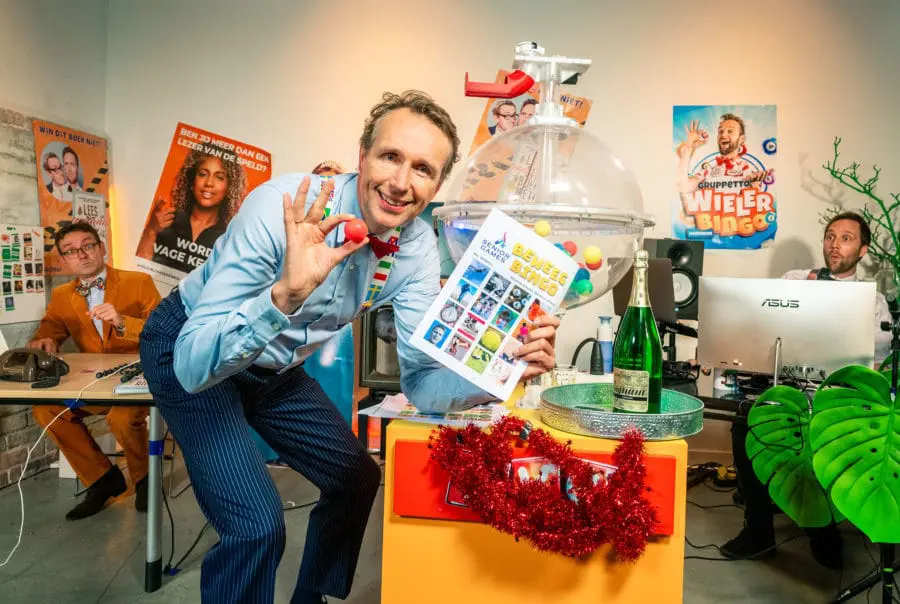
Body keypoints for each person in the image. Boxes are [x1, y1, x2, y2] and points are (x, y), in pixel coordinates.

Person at [138, 90, 560, 603]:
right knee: (256, 526)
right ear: (362, 155)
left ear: (437, 185)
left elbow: (421, 384)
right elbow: (192, 364)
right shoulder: (283, 206)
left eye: (423, 169)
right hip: (190, 343)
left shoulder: (416, 249)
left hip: (275, 367)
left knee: (356, 477)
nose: (401, 183)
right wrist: (283, 296)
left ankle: (311, 597)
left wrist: (501, 368)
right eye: (390, 156)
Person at [722, 211, 889, 568]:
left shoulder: (872, 302)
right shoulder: (794, 280)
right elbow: (763, 329)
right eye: (830, 236)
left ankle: (822, 532)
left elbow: (875, 363)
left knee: (818, 435)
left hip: (836, 399)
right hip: (788, 390)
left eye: (846, 238)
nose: (835, 244)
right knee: (745, 423)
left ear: (862, 250)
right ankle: (758, 532)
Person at [28, 222, 161, 520]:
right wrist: (44, 340)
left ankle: (144, 480)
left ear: (101, 248)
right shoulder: (62, 294)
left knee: (121, 417)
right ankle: (102, 480)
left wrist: (123, 322)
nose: (82, 254)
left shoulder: (139, 281)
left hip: (138, 378)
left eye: (88, 245)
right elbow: (50, 328)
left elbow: (163, 331)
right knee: (47, 410)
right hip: (94, 383)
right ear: (64, 259)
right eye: (71, 251)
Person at [135, 150, 247, 271]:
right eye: (202, 174)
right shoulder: (166, 221)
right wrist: (151, 230)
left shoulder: (228, 237)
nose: (209, 183)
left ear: (229, 188)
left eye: (219, 177)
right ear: (192, 182)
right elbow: (138, 270)